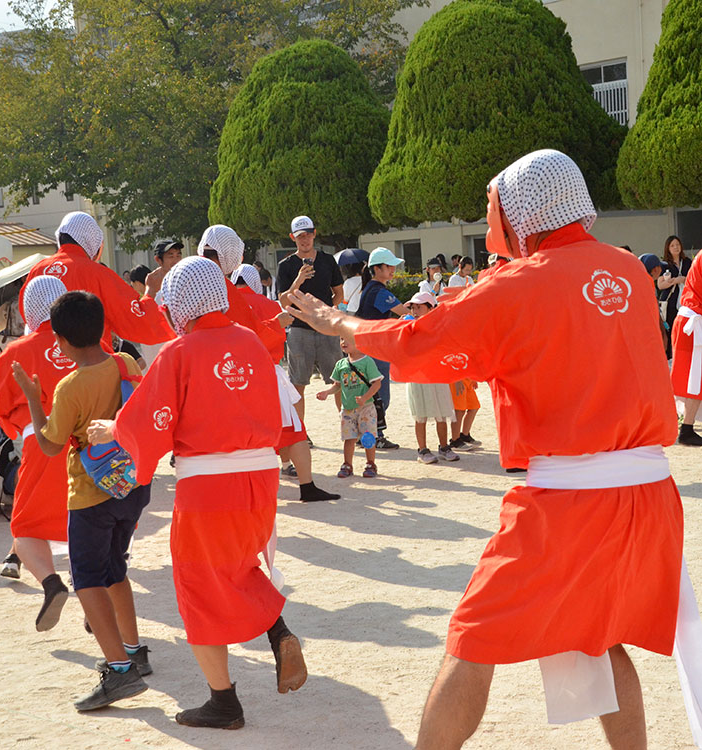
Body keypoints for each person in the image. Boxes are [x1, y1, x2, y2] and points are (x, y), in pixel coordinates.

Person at [285, 149, 689, 749]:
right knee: (600, 638)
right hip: (650, 494)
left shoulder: (520, 282)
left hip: (567, 502)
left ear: (522, 210)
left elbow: (421, 338)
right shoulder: (628, 271)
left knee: (472, 639)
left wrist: (338, 323)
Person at [90, 256, 307, 729]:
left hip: (208, 486)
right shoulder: (249, 341)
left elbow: (151, 421)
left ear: (179, 302)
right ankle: (279, 633)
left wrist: (114, 429)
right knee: (238, 564)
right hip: (261, 477)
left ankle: (223, 701)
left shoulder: (179, 352)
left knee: (197, 587)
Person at [12, 290, 152, 710]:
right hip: (132, 484)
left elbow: (51, 446)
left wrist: (34, 398)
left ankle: (120, 671)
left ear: (62, 340)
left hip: (90, 494)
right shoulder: (124, 363)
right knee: (114, 568)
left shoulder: (71, 387)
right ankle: (133, 649)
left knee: (87, 576)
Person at [0, 276, 75, 627]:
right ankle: (94, 587)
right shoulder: (88, 343)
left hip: (40, 440)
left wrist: (17, 431)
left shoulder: (18, 351)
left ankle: (52, 583)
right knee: (88, 520)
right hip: (91, 441)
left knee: (24, 526)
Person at [231, 263, 339, 503]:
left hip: (234, 377)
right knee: (294, 431)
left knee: (243, 435)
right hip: (266, 372)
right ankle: (306, 485)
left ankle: (245, 489)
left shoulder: (227, 305)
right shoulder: (269, 306)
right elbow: (276, 338)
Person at [22, 211, 174, 354]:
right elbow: (136, 322)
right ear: (92, 240)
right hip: (91, 367)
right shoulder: (97, 273)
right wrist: (151, 291)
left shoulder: (36, 270)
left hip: (40, 362)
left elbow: (27, 316)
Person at [277, 215, 344, 425]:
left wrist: (325, 313)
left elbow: (339, 294)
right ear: (292, 238)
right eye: (300, 237)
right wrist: (298, 280)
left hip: (326, 328)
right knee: (298, 383)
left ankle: (348, 426)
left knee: (340, 380)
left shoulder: (327, 260)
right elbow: (283, 301)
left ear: (314, 234)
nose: (304, 240)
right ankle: (300, 432)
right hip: (298, 329)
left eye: (308, 235)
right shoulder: (286, 266)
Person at [356, 247, 409, 450]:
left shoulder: (370, 288)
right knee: (380, 396)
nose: (393, 270)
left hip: (368, 347)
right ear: (376, 269)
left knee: (371, 393)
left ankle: (366, 435)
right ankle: (375, 435)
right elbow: (403, 312)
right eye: (389, 266)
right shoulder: (378, 291)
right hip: (375, 350)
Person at [402, 293, 459, 464]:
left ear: (431, 308)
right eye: (413, 307)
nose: (415, 310)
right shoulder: (408, 326)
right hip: (417, 376)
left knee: (442, 413)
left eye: (419, 307)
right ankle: (422, 450)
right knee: (420, 415)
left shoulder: (440, 327)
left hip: (437, 375)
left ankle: (443, 446)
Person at [317, 338, 382, 478]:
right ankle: (347, 464)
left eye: (348, 339)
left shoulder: (367, 361)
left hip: (366, 408)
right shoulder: (341, 364)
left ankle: (371, 463)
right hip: (347, 409)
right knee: (349, 438)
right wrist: (327, 392)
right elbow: (337, 385)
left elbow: (377, 383)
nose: (343, 342)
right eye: (341, 339)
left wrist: (365, 397)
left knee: (368, 437)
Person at [670, 250, 702, 446]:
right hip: (692, 323)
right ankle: (686, 429)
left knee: (689, 377)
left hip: (688, 320)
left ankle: (685, 427)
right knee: (693, 378)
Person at [140, 240, 185, 369]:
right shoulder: (152, 283)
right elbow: (146, 316)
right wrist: (150, 290)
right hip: (160, 349)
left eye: (178, 255)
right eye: (171, 256)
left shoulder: (186, 279)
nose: (176, 260)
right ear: (158, 260)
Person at [660, 235, 691, 335]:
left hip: (686, 301)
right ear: (668, 248)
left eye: (677, 245)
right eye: (672, 245)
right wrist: (675, 281)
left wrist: (683, 279)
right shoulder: (664, 265)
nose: (676, 247)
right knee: (672, 330)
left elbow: (693, 279)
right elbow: (660, 285)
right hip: (671, 302)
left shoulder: (687, 262)